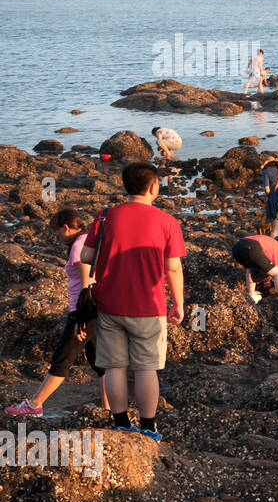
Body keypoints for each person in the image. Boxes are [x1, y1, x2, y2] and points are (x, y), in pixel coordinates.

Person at [81, 162, 186, 441]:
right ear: (153, 187)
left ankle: (121, 423)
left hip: (109, 304)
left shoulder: (104, 217)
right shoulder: (167, 222)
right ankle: (149, 427)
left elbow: (86, 257)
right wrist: (178, 303)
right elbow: (173, 268)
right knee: (146, 368)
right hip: (148, 307)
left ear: (125, 186)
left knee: (115, 366)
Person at [5, 209, 107, 418]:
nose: (58, 237)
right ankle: (108, 409)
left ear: (66, 227)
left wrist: (80, 318)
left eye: (57, 232)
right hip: (97, 309)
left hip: (84, 310)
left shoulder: (79, 245)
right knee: (101, 362)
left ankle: (34, 405)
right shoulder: (90, 240)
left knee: (62, 359)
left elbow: (86, 283)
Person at [231, 233, 278, 302]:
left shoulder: (276, 251)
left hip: (237, 247)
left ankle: (251, 295)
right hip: (252, 246)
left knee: (251, 267)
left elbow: (250, 269)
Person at [260, 158, 278, 231]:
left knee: (275, 229)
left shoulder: (266, 171)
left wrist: (269, 196)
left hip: (274, 200)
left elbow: (267, 189)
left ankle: (274, 240)